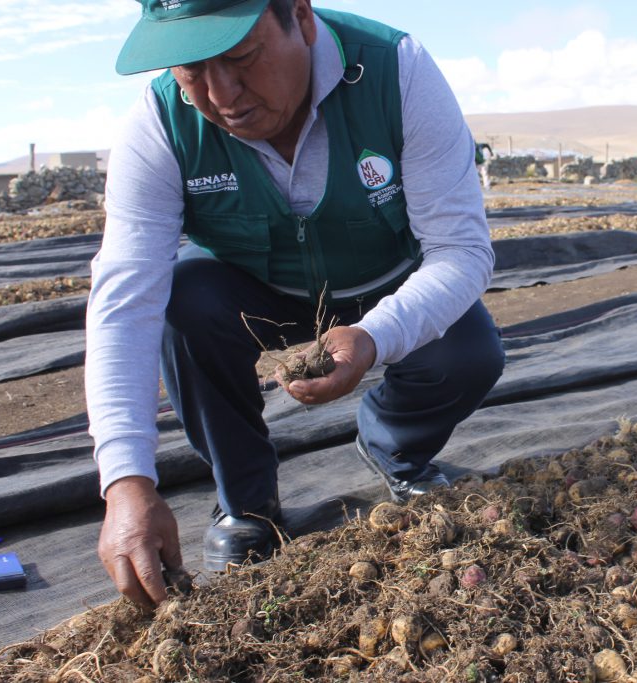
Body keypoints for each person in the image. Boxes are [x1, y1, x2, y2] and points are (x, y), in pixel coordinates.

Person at [88, 0, 505, 606]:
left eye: (241, 56)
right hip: (260, 291)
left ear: (301, 18)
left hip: (388, 280)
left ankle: (396, 445)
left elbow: (460, 250)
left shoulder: (395, 71)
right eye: (191, 71)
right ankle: (247, 505)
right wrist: (125, 481)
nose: (222, 95)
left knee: (467, 352)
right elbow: (125, 302)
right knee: (184, 302)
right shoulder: (161, 122)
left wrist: (375, 335)